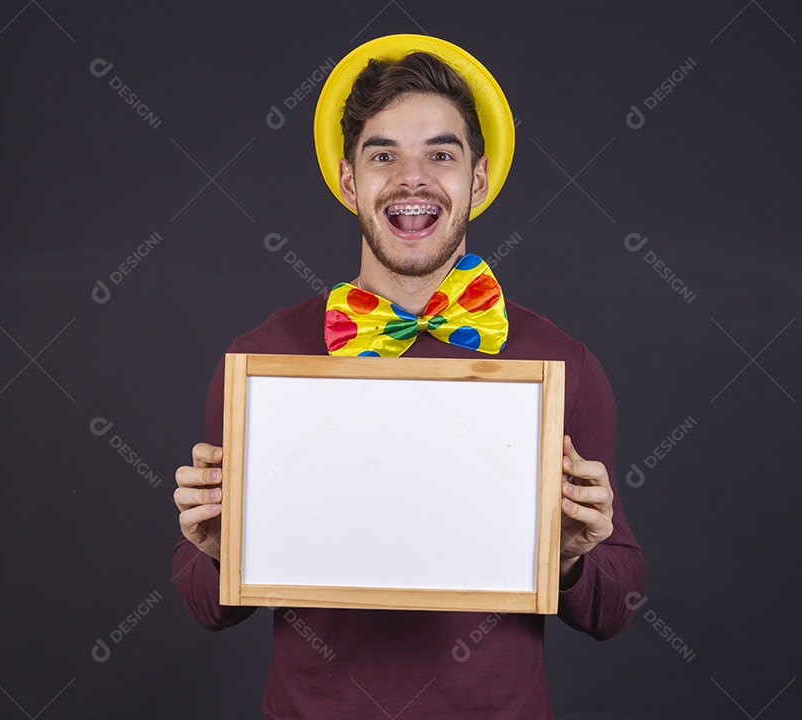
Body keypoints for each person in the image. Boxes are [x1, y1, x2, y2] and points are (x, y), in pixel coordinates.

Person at [173, 34, 646, 718]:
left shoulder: (560, 364)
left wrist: (572, 558)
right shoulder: (263, 362)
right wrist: (217, 553)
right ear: (348, 179)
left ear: (476, 180)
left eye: (441, 155)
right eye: (383, 153)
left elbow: (616, 603)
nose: (412, 177)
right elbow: (201, 604)